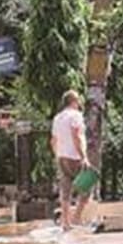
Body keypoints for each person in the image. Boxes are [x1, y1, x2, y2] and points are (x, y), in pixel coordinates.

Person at [50, 90, 91, 231]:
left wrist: (57, 155)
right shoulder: (76, 115)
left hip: (62, 157)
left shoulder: (58, 118)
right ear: (73, 101)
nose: (79, 102)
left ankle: (65, 223)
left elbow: (53, 140)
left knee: (65, 191)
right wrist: (84, 157)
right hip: (75, 157)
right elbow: (76, 136)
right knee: (87, 187)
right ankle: (76, 218)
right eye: (78, 100)